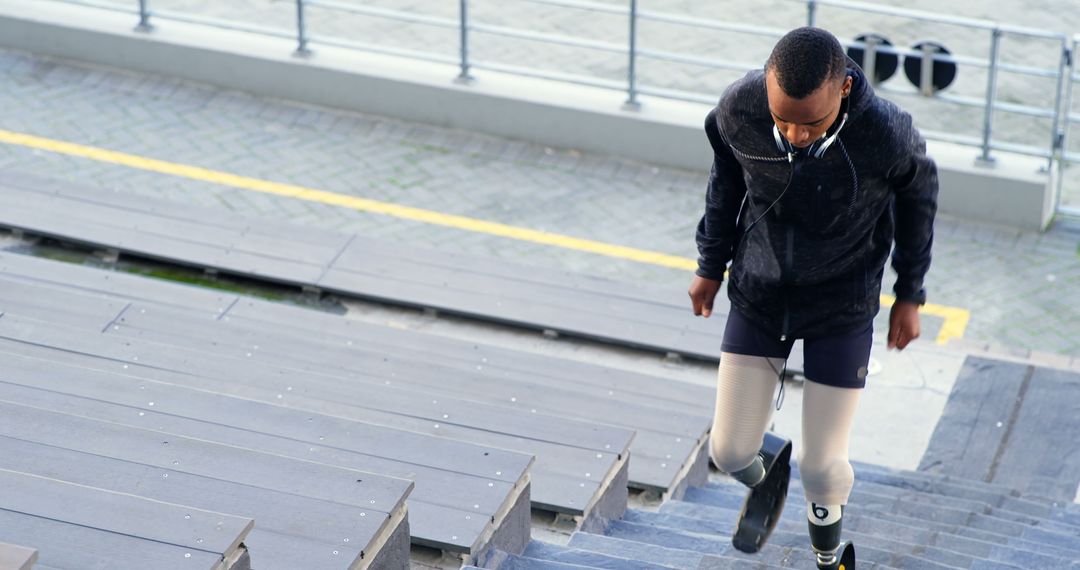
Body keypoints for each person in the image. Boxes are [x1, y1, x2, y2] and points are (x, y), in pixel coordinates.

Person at [687, 26, 937, 568]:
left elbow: (920, 201)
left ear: (844, 88)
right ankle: (768, 467)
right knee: (728, 452)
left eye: (811, 123)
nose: (796, 136)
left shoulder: (886, 133)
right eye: (783, 120)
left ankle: (829, 560)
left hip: (841, 306)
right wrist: (710, 265)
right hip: (759, 293)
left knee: (823, 468)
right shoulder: (740, 108)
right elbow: (724, 179)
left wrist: (910, 293)